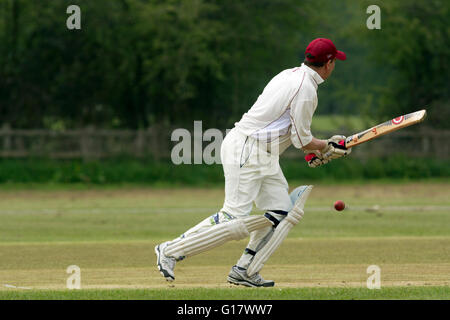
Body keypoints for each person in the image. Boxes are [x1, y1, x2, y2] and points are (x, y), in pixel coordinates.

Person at [155, 38, 352, 287]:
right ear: (329, 62)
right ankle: (170, 250)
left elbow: (285, 129)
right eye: (335, 62)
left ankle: (244, 270)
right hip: (248, 149)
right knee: (232, 216)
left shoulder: (289, 75)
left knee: (282, 213)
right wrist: (325, 147)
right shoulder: (306, 89)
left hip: (262, 152)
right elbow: (302, 138)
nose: (335, 67)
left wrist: (317, 151)